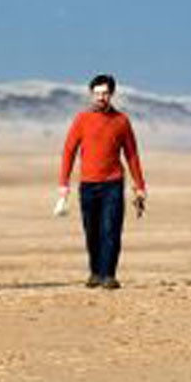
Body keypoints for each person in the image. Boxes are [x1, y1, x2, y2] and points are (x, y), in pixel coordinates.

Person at [57, 74, 146, 289]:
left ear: (112, 94)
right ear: (91, 94)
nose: (100, 97)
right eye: (97, 94)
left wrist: (140, 185)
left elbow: (132, 154)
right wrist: (63, 183)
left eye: (105, 93)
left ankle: (109, 275)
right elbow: (69, 151)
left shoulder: (121, 121)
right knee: (92, 230)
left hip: (112, 183)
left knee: (111, 229)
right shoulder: (82, 119)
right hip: (88, 184)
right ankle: (95, 272)